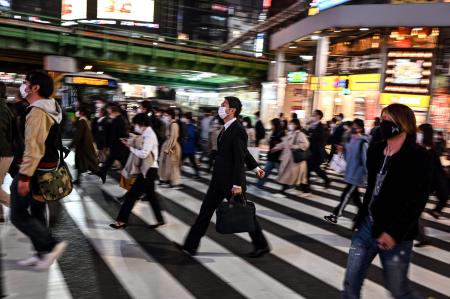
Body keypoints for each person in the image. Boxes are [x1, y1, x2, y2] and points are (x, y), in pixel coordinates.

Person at [343, 104, 432, 299]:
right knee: (350, 284)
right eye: (382, 119)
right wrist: (361, 217)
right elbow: (372, 188)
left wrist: (393, 233)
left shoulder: (419, 156)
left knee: (399, 290)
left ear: (403, 124)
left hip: (395, 235)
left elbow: (417, 201)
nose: (383, 124)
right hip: (367, 227)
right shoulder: (376, 150)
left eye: (388, 121)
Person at [178, 96, 269, 258]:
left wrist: (238, 184)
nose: (220, 107)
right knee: (205, 212)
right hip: (218, 180)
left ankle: (261, 245)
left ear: (232, 110)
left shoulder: (238, 130)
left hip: (231, 182)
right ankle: (190, 246)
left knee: (243, 213)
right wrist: (256, 167)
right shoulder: (226, 128)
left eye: (224, 104)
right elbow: (241, 152)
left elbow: (239, 158)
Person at [11, 70, 67, 269]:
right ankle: (40, 252)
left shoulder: (37, 112)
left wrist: (24, 177)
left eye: (25, 82)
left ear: (35, 87)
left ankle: (51, 245)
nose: (23, 85)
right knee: (36, 210)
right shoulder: (51, 107)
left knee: (17, 215)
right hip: (45, 169)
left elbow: (34, 147)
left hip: (33, 170)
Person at [109, 113, 164, 229]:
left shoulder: (149, 135)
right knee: (151, 196)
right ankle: (160, 220)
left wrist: (130, 148)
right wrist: (129, 142)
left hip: (148, 170)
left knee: (131, 196)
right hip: (150, 170)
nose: (135, 127)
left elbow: (144, 154)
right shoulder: (146, 133)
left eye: (136, 124)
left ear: (142, 124)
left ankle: (121, 221)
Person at [324, 119, 368, 224]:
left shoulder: (363, 142)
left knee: (345, 195)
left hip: (357, 175)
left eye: (356, 126)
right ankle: (362, 215)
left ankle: (335, 215)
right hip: (350, 173)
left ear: (361, 129)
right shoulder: (350, 140)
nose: (353, 128)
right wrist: (342, 150)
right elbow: (348, 158)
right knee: (356, 198)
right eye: (352, 126)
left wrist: (367, 177)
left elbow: (365, 161)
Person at [416, 124, 449, 221]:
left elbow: (435, 169)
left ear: (425, 134)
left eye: (420, 132)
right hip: (422, 185)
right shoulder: (419, 148)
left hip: (425, 185)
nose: (418, 134)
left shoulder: (430, 150)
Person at [272, 118, 310, 194]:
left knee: (297, 176)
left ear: (296, 125)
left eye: (292, 124)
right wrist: (276, 148)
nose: (290, 125)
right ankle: (284, 189)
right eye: (289, 124)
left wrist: (295, 146)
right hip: (288, 158)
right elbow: (284, 143)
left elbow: (306, 144)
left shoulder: (300, 134)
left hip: (295, 160)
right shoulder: (289, 133)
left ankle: (305, 190)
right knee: (287, 174)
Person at [97, 105, 129, 183]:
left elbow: (115, 134)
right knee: (120, 161)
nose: (109, 114)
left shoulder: (118, 120)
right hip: (118, 145)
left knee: (113, 161)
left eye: (110, 112)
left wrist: (108, 145)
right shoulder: (119, 119)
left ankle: (102, 173)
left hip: (118, 145)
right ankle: (125, 179)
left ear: (114, 112)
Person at [70, 106, 99, 185]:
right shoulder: (85, 120)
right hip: (84, 145)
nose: (77, 113)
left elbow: (78, 135)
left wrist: (72, 144)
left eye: (78, 111)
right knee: (81, 162)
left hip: (83, 147)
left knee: (86, 162)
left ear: (82, 112)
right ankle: (78, 179)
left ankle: (99, 172)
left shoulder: (82, 121)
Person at [256, 118, 285, 189]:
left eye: (272, 124)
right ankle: (259, 184)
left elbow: (283, 143)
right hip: (271, 156)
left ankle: (287, 185)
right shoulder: (273, 131)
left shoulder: (282, 132)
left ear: (275, 124)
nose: (271, 126)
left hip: (278, 157)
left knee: (282, 173)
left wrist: (275, 143)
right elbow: (270, 141)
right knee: (265, 171)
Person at [0, 82, 14, 222]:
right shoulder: (5, 107)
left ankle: (17, 208)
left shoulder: (1, 108)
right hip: (6, 152)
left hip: (2, 153)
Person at [307, 110, 330, 189]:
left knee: (314, 168)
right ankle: (306, 185)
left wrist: (311, 135)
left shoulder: (321, 126)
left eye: (314, 115)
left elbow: (320, 138)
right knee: (310, 168)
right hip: (311, 151)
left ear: (319, 116)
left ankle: (326, 179)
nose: (313, 116)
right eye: (312, 114)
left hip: (317, 152)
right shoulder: (312, 125)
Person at [159, 109, 182, 188]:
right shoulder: (170, 123)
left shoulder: (174, 124)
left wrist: (168, 149)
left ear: (170, 115)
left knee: (172, 165)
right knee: (168, 165)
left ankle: (174, 182)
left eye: (166, 115)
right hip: (170, 146)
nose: (164, 117)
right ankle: (168, 180)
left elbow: (173, 138)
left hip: (172, 148)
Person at [181, 112, 200, 179]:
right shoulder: (189, 126)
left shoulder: (190, 126)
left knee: (180, 161)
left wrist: (185, 137)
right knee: (193, 162)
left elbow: (191, 136)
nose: (183, 119)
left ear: (187, 118)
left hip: (188, 148)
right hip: (189, 148)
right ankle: (197, 174)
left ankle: (175, 174)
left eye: (184, 117)